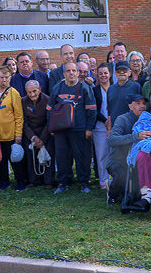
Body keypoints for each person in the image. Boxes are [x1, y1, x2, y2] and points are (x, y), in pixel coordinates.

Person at [47, 61, 96, 194]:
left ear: (78, 72)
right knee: (62, 157)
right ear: (64, 73)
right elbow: (49, 108)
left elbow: (92, 110)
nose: (71, 73)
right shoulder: (58, 87)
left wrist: (89, 128)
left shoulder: (85, 88)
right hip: (61, 129)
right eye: (68, 71)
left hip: (80, 128)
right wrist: (51, 127)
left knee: (82, 157)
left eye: (74, 70)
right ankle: (63, 182)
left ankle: (84, 182)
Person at [0, 66, 26, 190]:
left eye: (6, 77)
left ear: (10, 78)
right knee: (0, 161)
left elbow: (19, 117)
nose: (3, 80)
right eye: (1, 77)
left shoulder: (14, 93)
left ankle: (20, 182)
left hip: (10, 134)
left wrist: (18, 135)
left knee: (15, 160)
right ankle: (3, 181)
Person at [106, 94, 147, 204]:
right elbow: (112, 139)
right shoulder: (122, 119)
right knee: (121, 178)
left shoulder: (148, 120)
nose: (142, 106)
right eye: (138, 103)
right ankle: (112, 192)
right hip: (118, 161)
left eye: (143, 103)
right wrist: (136, 137)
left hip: (137, 161)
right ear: (130, 106)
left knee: (135, 193)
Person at [21, 80, 54, 188]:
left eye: (34, 91)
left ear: (39, 89)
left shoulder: (47, 100)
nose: (32, 94)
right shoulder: (23, 101)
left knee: (48, 155)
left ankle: (49, 181)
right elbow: (24, 122)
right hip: (31, 132)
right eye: (29, 92)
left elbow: (49, 121)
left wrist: (42, 139)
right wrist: (33, 137)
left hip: (45, 131)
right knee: (30, 155)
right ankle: (34, 180)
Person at [92, 63, 112, 189]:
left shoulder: (115, 88)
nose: (103, 75)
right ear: (97, 76)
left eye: (105, 73)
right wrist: (105, 120)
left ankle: (115, 178)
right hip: (100, 127)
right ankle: (103, 181)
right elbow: (93, 110)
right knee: (101, 154)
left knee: (114, 153)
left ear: (110, 74)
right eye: (101, 73)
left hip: (115, 126)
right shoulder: (94, 91)